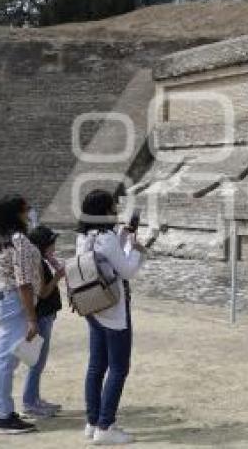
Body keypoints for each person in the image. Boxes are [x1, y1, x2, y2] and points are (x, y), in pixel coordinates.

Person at [77, 190, 145, 445]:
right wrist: (137, 250)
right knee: (119, 367)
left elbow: (105, 261)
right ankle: (106, 425)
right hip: (112, 308)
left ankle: (93, 421)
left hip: (92, 305)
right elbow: (126, 270)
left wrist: (123, 237)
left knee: (96, 366)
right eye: (112, 207)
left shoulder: (84, 236)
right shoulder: (106, 238)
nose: (115, 210)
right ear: (104, 210)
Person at [0, 194, 41, 434]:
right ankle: (4, 416)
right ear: (17, 213)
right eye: (26, 209)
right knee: (6, 361)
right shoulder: (19, 241)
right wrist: (31, 317)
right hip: (12, 301)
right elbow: (23, 282)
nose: (29, 212)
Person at [22, 225, 65, 418]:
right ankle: (30, 402)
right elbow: (43, 292)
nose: (54, 246)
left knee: (39, 360)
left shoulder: (41, 259)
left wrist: (52, 261)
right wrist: (57, 277)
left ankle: (34, 398)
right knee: (37, 361)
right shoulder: (37, 261)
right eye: (52, 244)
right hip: (42, 316)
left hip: (46, 315)